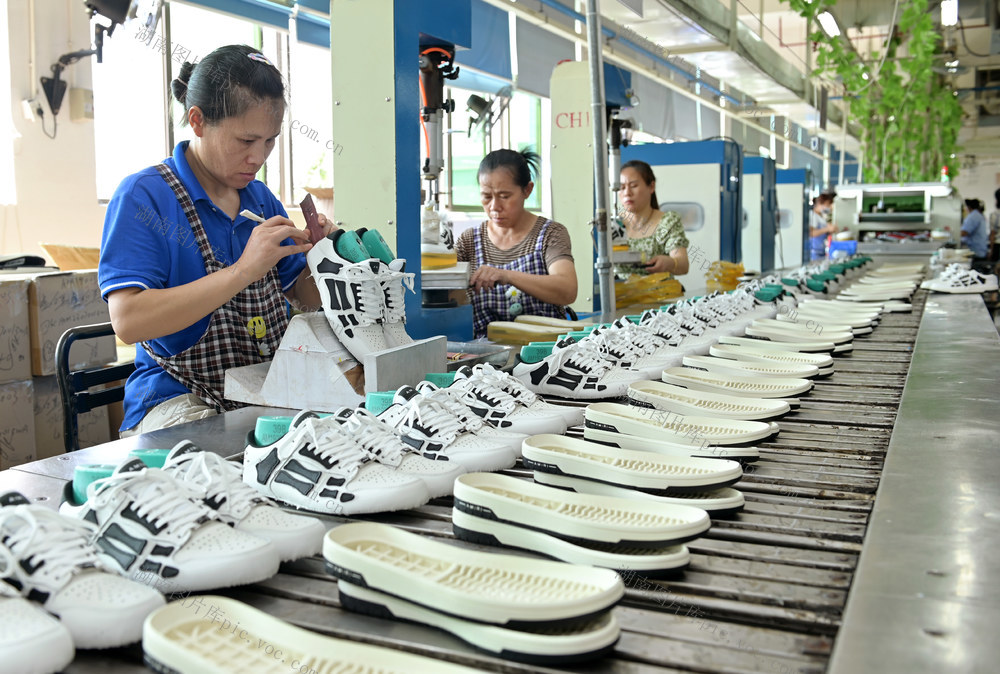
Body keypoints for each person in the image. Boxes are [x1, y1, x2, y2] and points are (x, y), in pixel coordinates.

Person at [98, 45, 335, 436]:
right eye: (246, 141)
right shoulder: (145, 197)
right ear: (198, 121)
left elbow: (302, 299)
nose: (258, 157)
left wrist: (320, 258)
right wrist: (243, 270)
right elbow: (128, 321)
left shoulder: (260, 198)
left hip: (263, 388)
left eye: (270, 141)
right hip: (176, 401)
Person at [455, 148, 577, 339]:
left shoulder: (550, 234)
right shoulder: (468, 241)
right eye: (486, 196)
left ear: (527, 190)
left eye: (504, 196)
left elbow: (567, 289)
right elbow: (447, 296)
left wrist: (507, 275)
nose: (494, 206)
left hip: (544, 353)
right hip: (486, 358)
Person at [615, 160, 689, 276]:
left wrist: (670, 263)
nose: (627, 193)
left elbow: (683, 265)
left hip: (658, 292)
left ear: (651, 186)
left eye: (633, 186)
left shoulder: (668, 222)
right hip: (620, 292)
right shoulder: (613, 224)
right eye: (622, 187)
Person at [808, 193, 837, 261]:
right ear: (819, 204)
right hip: (814, 252)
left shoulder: (821, 216)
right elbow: (811, 233)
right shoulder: (812, 215)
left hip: (821, 251)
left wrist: (830, 230)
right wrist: (827, 229)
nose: (829, 208)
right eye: (827, 205)